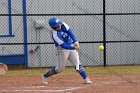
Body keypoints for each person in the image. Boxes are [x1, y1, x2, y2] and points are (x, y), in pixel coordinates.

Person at [42, 17, 92, 84]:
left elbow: (70, 32)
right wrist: (74, 48)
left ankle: (86, 78)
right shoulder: (55, 35)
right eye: (56, 26)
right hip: (61, 50)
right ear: (53, 27)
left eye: (59, 24)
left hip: (71, 46)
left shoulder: (63, 24)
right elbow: (64, 46)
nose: (59, 26)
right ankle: (45, 76)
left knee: (77, 64)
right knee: (60, 69)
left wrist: (75, 41)